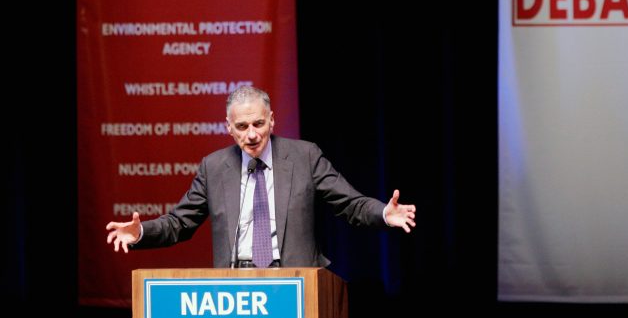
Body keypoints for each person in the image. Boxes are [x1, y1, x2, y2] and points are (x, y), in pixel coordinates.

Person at [106, 85, 416, 268]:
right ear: (229, 128)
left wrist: (384, 213)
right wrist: (141, 233)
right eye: (242, 127)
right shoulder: (213, 167)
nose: (252, 135)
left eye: (258, 124)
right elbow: (179, 223)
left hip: (295, 282)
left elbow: (351, 205)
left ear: (271, 120)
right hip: (236, 287)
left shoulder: (304, 156)